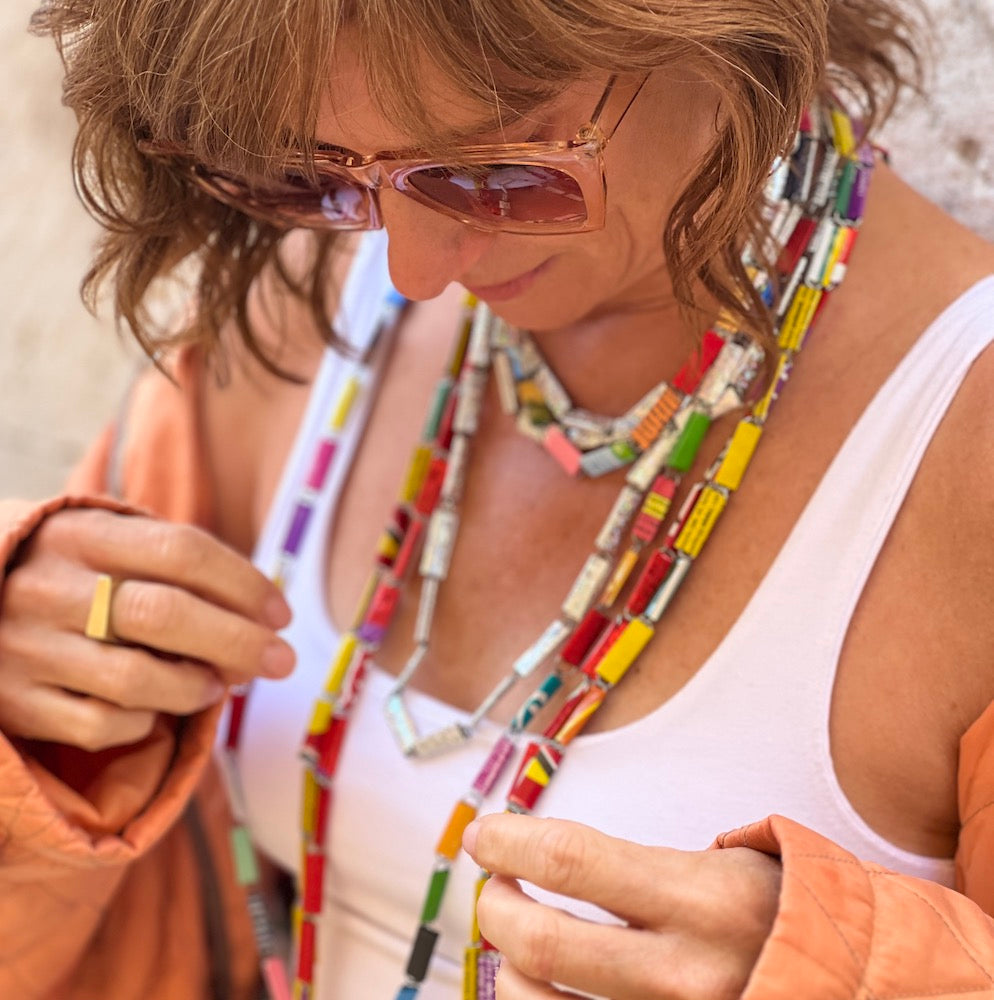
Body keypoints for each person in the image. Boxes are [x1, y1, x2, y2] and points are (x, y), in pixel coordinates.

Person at [2, 0, 994, 998]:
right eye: (310, 172)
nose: (416, 266)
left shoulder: (965, 440)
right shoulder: (311, 309)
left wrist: (851, 970)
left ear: (719, 32)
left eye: (501, 174)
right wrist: (31, 685)